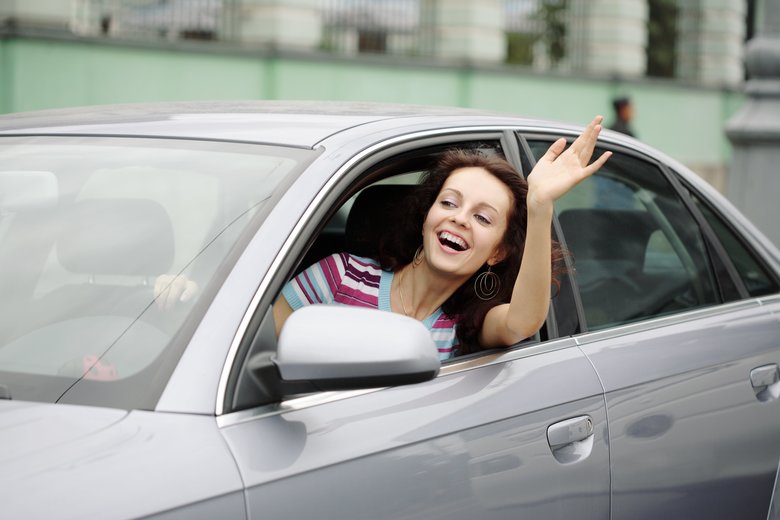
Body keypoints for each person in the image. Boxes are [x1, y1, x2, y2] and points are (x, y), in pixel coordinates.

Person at [273, 116, 612, 359]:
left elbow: (522, 321)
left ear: (497, 252)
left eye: (482, 217)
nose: (459, 218)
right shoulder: (341, 274)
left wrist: (538, 206)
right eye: (449, 203)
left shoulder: (463, 327)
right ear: (426, 218)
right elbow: (257, 355)